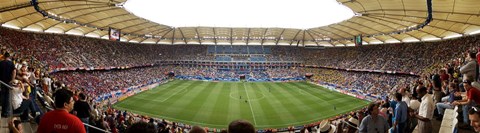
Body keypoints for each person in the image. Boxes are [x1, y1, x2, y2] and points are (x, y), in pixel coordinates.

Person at [0, 52, 16, 117]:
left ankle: (3, 111)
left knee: (3, 96)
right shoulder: (11, 63)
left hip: (2, 81)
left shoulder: (1, 63)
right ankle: (6, 112)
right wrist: (12, 79)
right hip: (8, 82)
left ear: (4, 56)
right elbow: (14, 71)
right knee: (7, 97)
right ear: (9, 57)